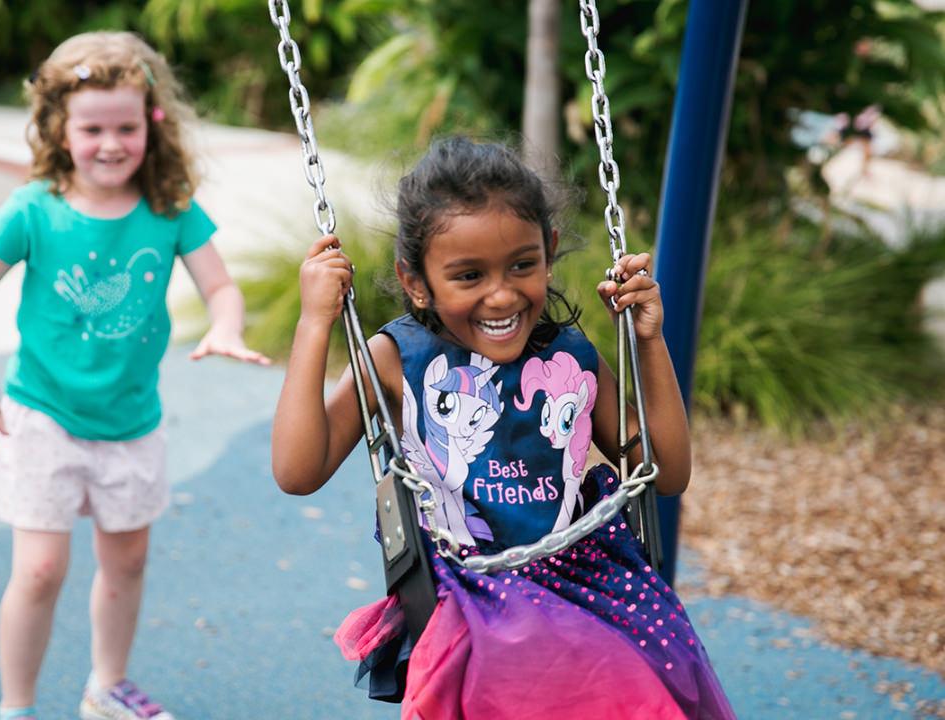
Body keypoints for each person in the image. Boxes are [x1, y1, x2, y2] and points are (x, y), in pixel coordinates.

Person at [271, 136, 735, 718]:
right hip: (466, 590)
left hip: (586, 579)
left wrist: (648, 341)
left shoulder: (572, 358)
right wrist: (316, 321)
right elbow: (297, 471)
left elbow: (665, 474)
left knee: (661, 672)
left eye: (523, 264)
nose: (502, 294)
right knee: (549, 670)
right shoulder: (396, 357)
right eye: (468, 276)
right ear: (417, 282)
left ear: (550, 251)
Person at [0, 31, 269, 720]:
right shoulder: (33, 209)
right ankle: (16, 706)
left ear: (152, 124)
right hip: (41, 415)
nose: (111, 144)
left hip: (130, 423)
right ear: (60, 128)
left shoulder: (170, 210)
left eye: (127, 127)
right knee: (38, 570)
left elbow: (221, 289)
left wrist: (226, 326)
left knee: (126, 563)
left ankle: (106, 686)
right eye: (93, 128)